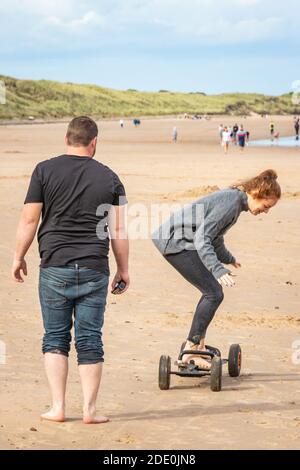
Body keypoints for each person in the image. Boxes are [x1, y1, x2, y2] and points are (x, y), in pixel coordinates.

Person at [11, 116, 129, 424]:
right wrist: (123, 269)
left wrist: (18, 257)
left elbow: (28, 219)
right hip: (94, 267)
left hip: (55, 265)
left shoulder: (44, 170)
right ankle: (89, 411)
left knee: (55, 337)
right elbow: (118, 230)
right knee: (90, 338)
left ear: (66, 139)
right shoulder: (111, 178)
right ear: (94, 143)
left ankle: (58, 407)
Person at [152, 170, 280, 369]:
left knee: (211, 293)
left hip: (180, 241)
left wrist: (228, 258)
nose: (265, 211)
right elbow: (202, 239)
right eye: (266, 206)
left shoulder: (235, 203)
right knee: (213, 293)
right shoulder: (231, 203)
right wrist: (217, 270)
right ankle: (190, 350)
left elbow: (215, 238)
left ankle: (197, 346)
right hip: (176, 242)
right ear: (256, 192)